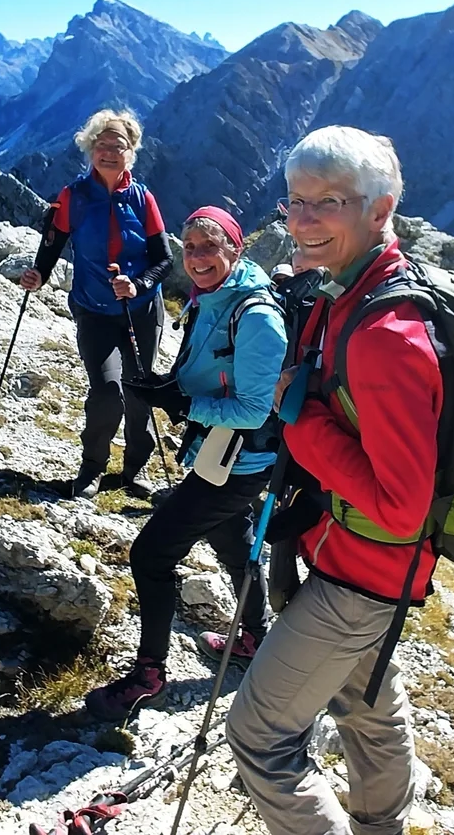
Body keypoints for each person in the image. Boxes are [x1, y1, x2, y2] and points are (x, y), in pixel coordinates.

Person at [227, 126, 437, 835]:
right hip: (357, 562)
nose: (304, 220)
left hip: (363, 572)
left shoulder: (387, 336)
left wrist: (302, 423)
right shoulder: (346, 291)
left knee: (258, 733)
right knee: (367, 705)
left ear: (380, 211)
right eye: (295, 201)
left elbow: (402, 507)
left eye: (329, 203)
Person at [80, 206, 288, 720]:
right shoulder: (214, 297)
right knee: (233, 542)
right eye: (189, 247)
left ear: (235, 250)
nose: (196, 258)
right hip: (223, 455)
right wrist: (168, 386)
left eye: (208, 247)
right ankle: (255, 639)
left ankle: (149, 675)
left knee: (151, 555)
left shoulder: (257, 317)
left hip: (238, 462)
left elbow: (255, 408)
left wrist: (182, 404)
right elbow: (209, 369)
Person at [21, 110, 174, 499]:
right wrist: (39, 273)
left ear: (130, 152)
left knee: (139, 391)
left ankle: (134, 470)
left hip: (140, 309)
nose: (108, 152)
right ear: (90, 149)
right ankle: (92, 468)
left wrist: (138, 286)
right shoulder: (73, 195)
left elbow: (164, 258)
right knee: (107, 391)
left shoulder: (143, 198)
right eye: (101, 145)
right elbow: (53, 241)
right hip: (93, 310)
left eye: (117, 146)